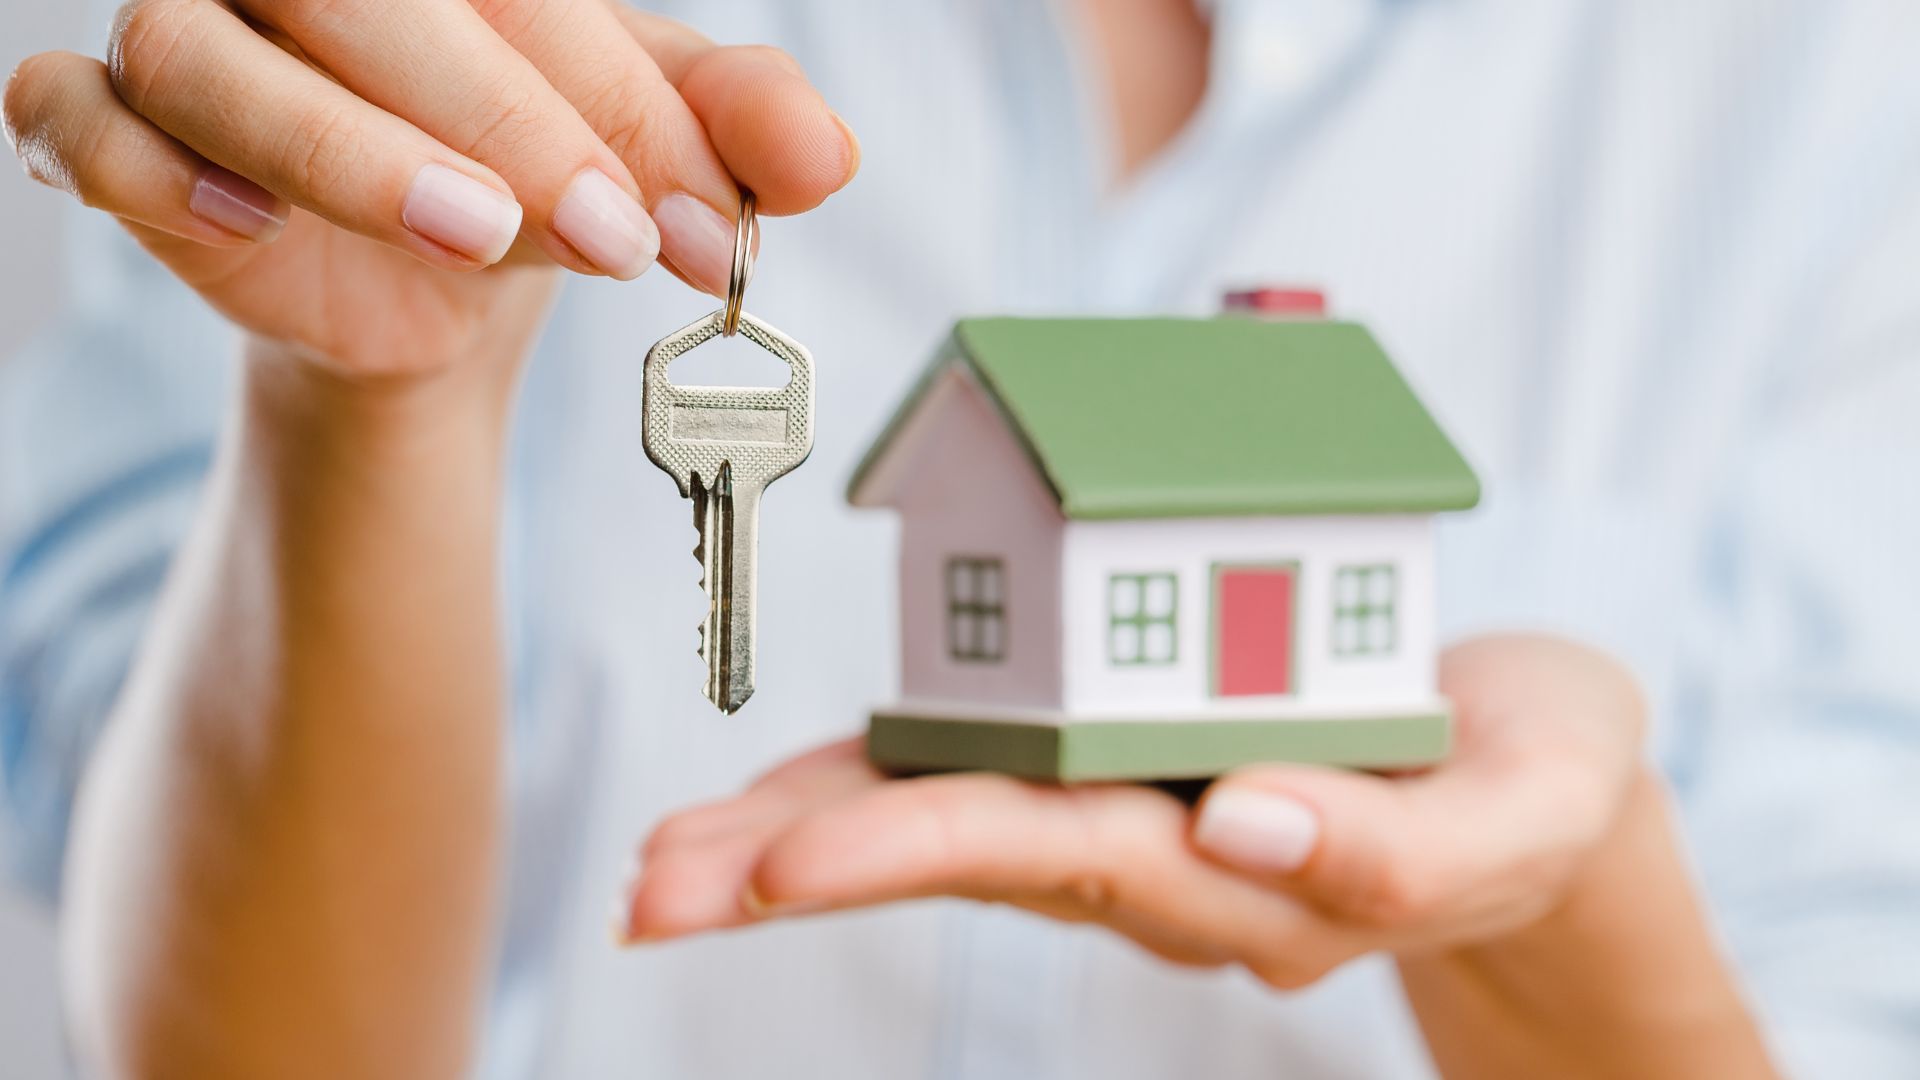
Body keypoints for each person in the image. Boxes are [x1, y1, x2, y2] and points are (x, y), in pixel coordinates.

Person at [2, 0, 1916, 1076]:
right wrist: (373, 407)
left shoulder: (1822, 88)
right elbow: (223, 1050)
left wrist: (1563, 923)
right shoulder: (448, 38)